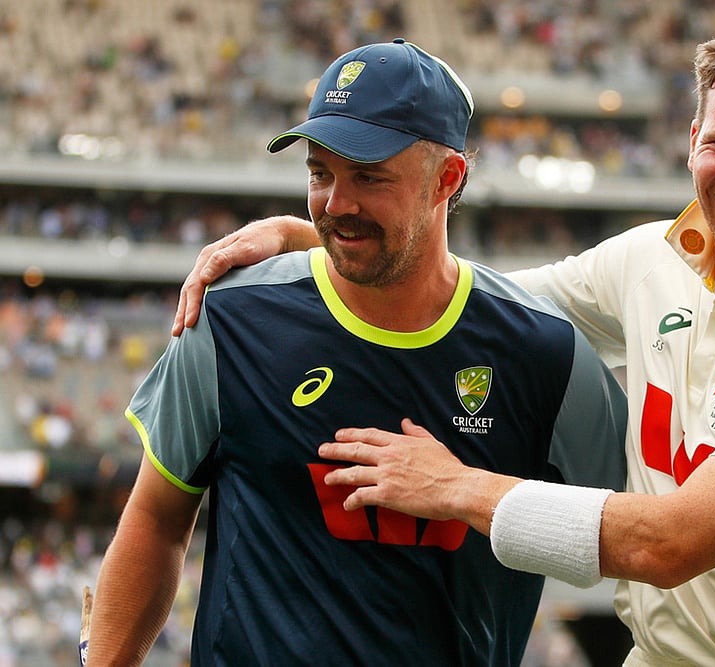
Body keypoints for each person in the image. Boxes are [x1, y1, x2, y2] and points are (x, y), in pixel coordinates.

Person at [173, 13, 715, 666]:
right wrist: (318, 234)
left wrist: (457, 486)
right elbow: (471, 302)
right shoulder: (648, 261)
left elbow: (670, 545)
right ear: (692, 143)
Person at [88, 39, 628, 666]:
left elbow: (633, 529)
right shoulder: (231, 316)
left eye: (368, 177)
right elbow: (156, 518)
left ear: (446, 179)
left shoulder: (544, 351)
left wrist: (470, 492)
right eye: (320, 173)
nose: (335, 204)